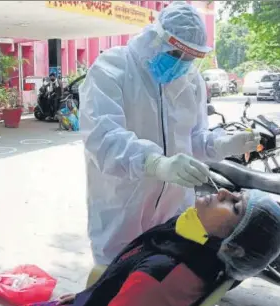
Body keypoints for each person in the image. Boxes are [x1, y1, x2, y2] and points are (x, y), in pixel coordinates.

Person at [79, 1, 261, 266]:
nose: (181, 64)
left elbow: (194, 141)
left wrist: (224, 144)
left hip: (175, 212)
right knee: (116, 286)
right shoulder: (112, 68)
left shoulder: (191, 81)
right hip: (122, 208)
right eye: (175, 54)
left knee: (160, 279)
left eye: (190, 58)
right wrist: (154, 163)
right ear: (155, 38)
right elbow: (102, 137)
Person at [20, 189, 280, 306]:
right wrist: (89, 295)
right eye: (236, 193)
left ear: (235, 247)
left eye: (235, 206)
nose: (223, 192)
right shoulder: (189, 243)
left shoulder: (161, 277)